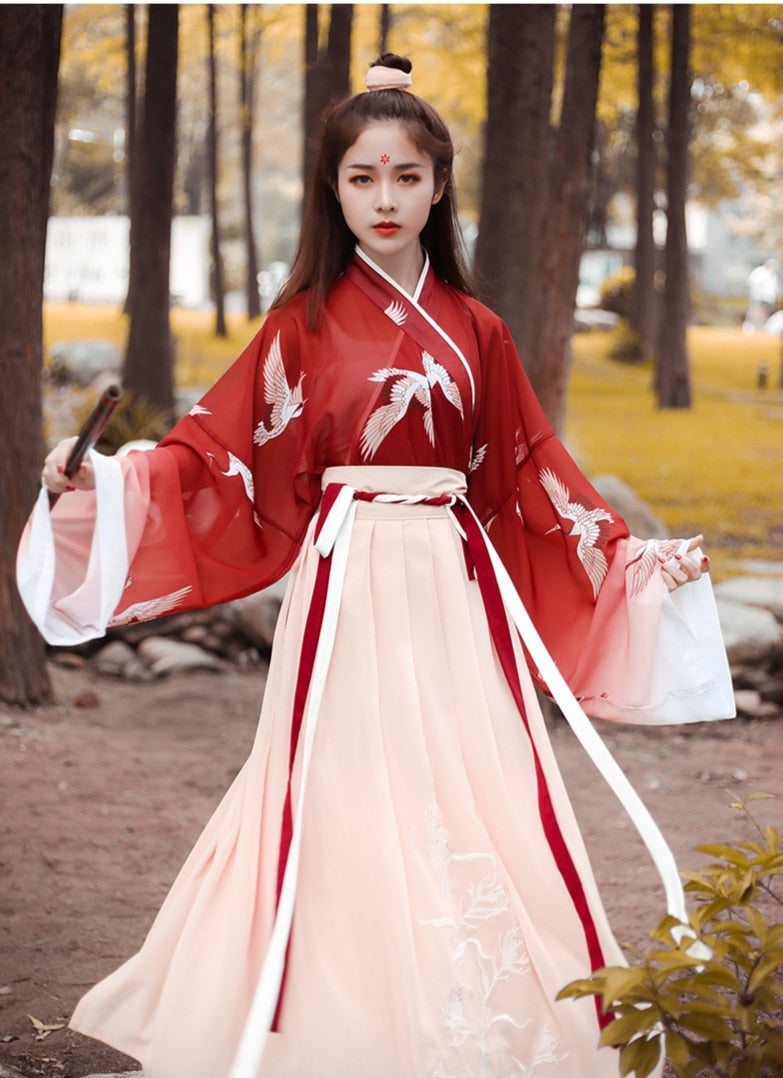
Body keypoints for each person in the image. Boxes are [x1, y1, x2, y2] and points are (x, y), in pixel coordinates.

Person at [18, 54, 734, 1078]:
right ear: (334, 188)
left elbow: (532, 475)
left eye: (406, 176)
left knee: (471, 784)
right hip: (346, 582)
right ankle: (324, 1007)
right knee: (339, 784)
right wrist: (101, 485)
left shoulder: (479, 330)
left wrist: (634, 559)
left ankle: (475, 1002)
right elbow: (212, 450)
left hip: (447, 581)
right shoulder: (299, 326)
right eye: (362, 176)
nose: (385, 197)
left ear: (440, 185)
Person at [743, 257, 779, 332]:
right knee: (755, 310)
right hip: (758, 296)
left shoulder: (773, 274)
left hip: (768, 298)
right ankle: (749, 325)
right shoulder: (760, 271)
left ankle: (759, 325)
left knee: (765, 312)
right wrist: (757, 291)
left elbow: (773, 287)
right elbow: (752, 282)